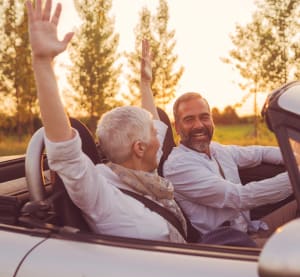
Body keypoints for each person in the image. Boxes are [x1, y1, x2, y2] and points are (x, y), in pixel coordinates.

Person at [26, 0, 188, 243]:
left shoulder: (144, 173)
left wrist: (145, 84)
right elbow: (66, 154)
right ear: (139, 147)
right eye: (153, 135)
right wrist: (42, 63)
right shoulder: (103, 195)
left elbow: (155, 124)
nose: (162, 139)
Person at [163, 92, 296, 240]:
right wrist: (295, 176)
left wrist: (295, 157)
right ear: (176, 126)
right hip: (230, 246)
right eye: (189, 119)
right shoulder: (178, 166)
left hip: (251, 228)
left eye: (204, 117)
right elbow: (239, 197)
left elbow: (260, 153)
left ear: (212, 120)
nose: (199, 125)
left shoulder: (217, 150)